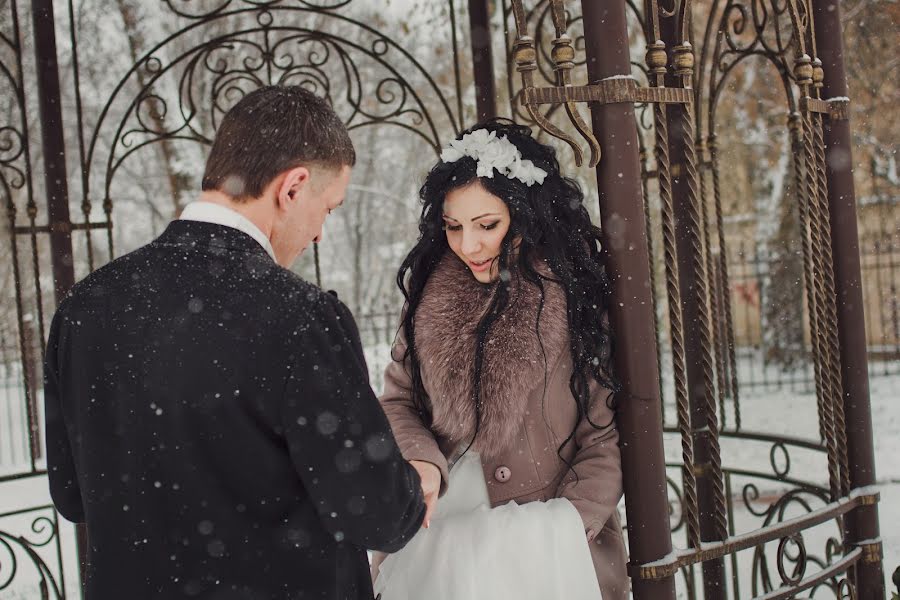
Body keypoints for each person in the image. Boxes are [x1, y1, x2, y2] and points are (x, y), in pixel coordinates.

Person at [43, 85, 427, 600]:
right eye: (328, 208)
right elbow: (378, 515)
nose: (318, 234)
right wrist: (418, 481)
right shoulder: (301, 318)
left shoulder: (83, 309)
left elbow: (72, 496)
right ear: (292, 187)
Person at [373, 120, 629, 599]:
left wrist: (561, 529)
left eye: (487, 225)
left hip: (548, 544)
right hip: (439, 538)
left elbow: (606, 436)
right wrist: (422, 462)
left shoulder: (575, 299)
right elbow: (398, 401)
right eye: (453, 227)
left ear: (527, 214)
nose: (468, 244)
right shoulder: (429, 296)